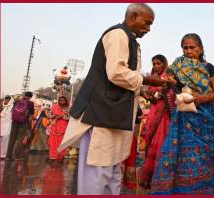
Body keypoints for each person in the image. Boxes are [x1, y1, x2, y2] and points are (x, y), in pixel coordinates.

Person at [57, 3, 170, 195]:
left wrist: (141, 91)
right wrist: (148, 80)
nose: (149, 29)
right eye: (147, 23)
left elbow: (125, 77)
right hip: (101, 114)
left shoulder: (131, 40)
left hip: (115, 115)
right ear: (133, 16)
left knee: (113, 171)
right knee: (98, 172)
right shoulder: (118, 34)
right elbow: (116, 73)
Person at [150, 33, 214, 194]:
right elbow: (166, 89)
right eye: (185, 48)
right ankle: (184, 189)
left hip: (205, 117)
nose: (189, 51)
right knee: (183, 154)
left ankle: (204, 188)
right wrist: (168, 84)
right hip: (183, 117)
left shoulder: (208, 67)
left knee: (206, 155)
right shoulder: (177, 66)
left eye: (193, 47)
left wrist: (202, 99)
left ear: (201, 48)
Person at [138, 54, 175, 189]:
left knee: (160, 145)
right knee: (151, 144)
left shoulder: (168, 78)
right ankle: (151, 177)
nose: (156, 66)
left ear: (164, 64)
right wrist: (152, 97)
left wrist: (165, 93)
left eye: (158, 63)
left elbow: (173, 94)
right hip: (154, 114)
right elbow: (149, 95)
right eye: (154, 64)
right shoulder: (151, 78)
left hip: (165, 116)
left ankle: (162, 178)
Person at [5, 91, 35, 161]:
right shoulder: (30, 103)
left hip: (14, 121)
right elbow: (31, 114)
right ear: (31, 97)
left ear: (24, 95)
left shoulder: (17, 101)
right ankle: (16, 156)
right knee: (19, 139)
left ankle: (8, 156)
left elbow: (12, 110)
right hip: (23, 122)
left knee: (11, 139)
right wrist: (28, 123)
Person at [48, 96, 70, 161]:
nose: (61, 102)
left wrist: (62, 116)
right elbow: (49, 115)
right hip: (55, 126)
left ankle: (61, 155)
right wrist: (54, 116)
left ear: (66, 101)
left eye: (63, 100)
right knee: (53, 141)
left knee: (62, 141)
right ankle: (53, 155)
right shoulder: (54, 106)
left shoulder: (68, 108)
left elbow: (70, 118)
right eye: (60, 100)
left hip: (64, 126)